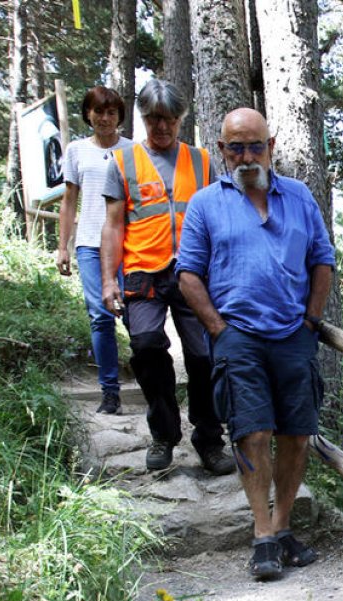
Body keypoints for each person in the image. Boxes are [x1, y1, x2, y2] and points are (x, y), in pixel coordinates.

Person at [178, 108, 335, 581]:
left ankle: (283, 527)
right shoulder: (205, 204)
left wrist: (311, 321)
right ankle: (262, 534)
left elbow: (322, 261)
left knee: (297, 434)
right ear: (222, 150)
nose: (246, 156)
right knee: (253, 434)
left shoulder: (299, 196)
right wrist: (218, 329)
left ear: (270, 146)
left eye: (254, 146)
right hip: (238, 337)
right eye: (236, 147)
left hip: (293, 335)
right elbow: (188, 275)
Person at [100, 79, 233, 476]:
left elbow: (218, 220)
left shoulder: (201, 160)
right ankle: (163, 434)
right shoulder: (122, 162)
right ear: (142, 118)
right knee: (145, 347)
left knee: (204, 356)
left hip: (193, 272)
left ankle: (209, 439)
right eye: (153, 119)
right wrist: (108, 281)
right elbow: (112, 226)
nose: (161, 127)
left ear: (180, 119)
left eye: (169, 120)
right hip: (143, 271)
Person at [56, 86, 133, 414]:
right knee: (100, 317)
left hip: (128, 244)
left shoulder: (133, 150)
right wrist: (62, 247)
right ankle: (110, 392)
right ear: (88, 114)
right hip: (89, 242)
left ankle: (152, 383)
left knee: (135, 314)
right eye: (98, 111)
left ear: (119, 116)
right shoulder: (76, 150)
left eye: (111, 112)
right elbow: (69, 200)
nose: (105, 118)